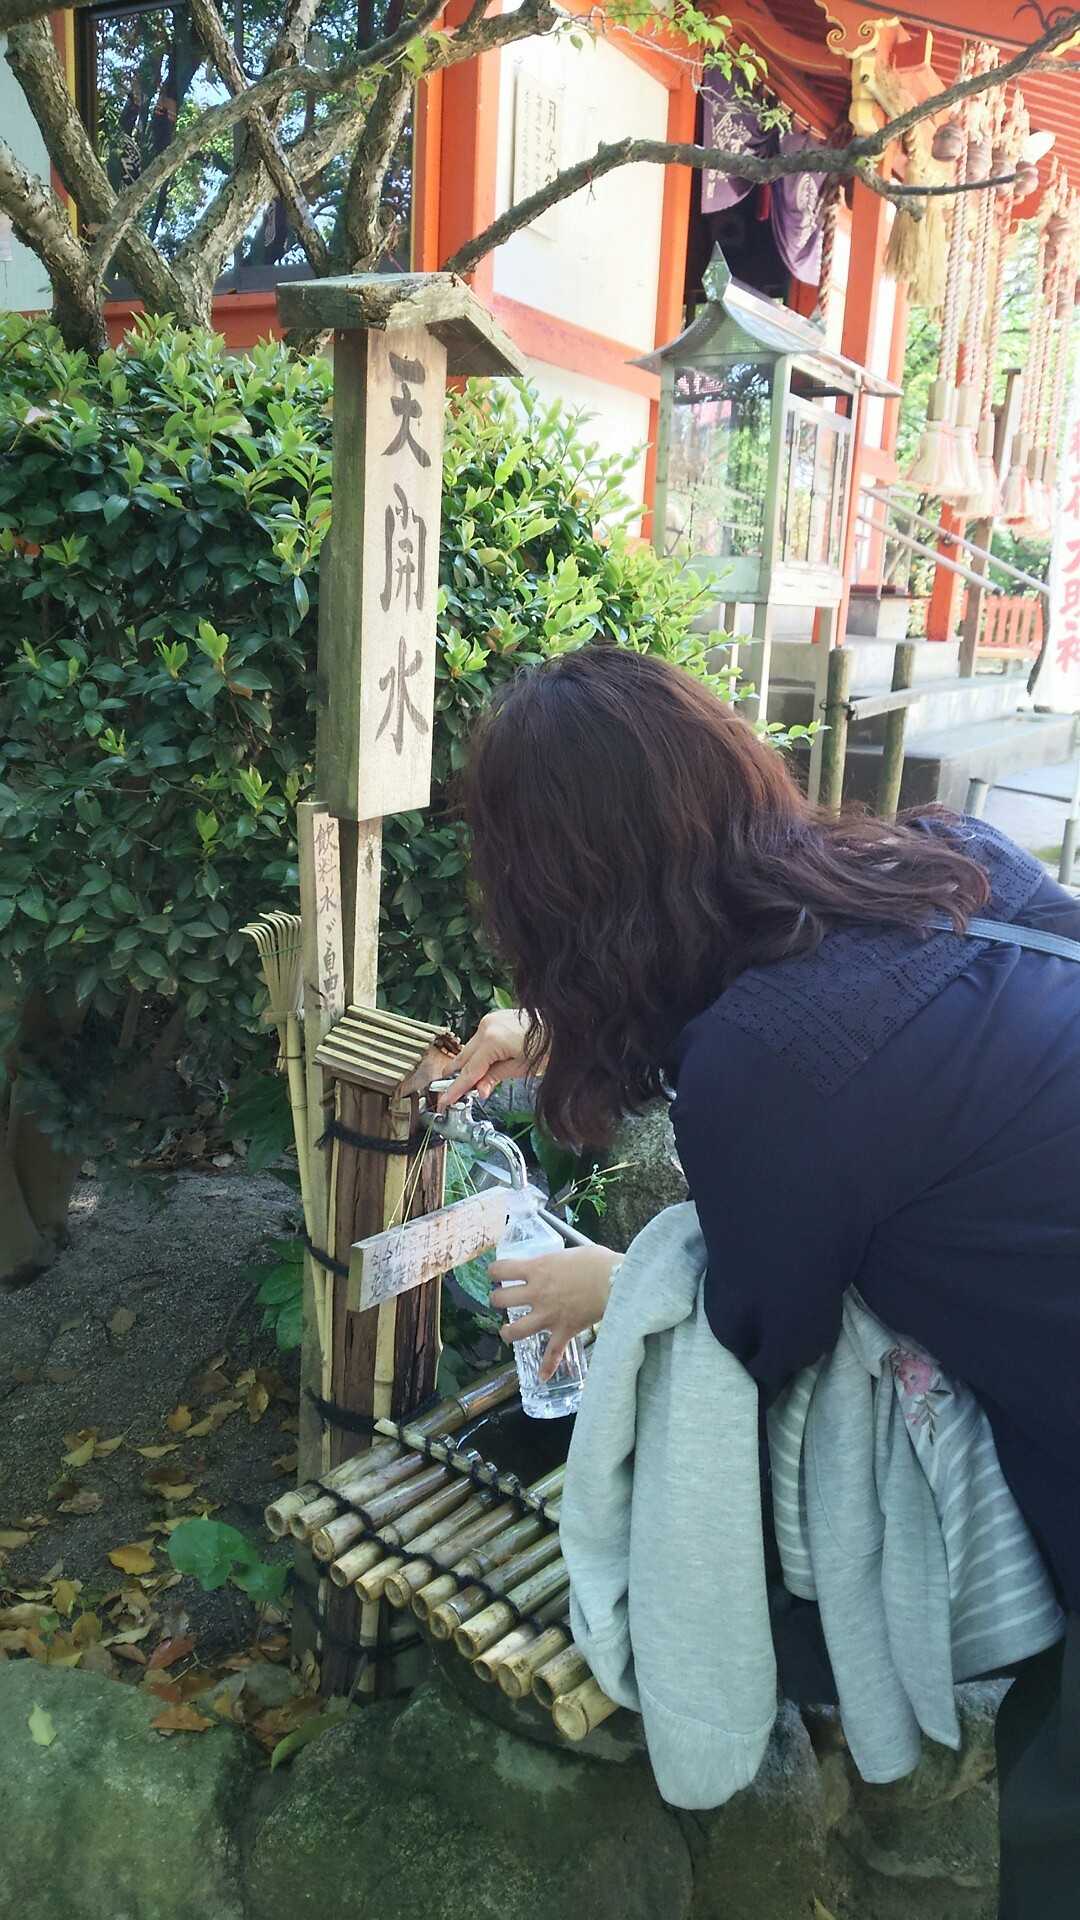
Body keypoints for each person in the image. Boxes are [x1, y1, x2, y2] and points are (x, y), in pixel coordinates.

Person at [441, 643, 1080, 1920]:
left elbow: (763, 1333)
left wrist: (620, 1284)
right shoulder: (947, 858)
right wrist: (556, 1031)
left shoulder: (759, 1069)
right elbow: (885, 1064)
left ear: (561, 897)